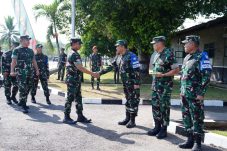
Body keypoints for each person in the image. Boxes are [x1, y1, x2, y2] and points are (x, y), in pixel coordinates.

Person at [178, 35, 212, 151]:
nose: (184, 45)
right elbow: (183, 75)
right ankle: (189, 140)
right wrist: (181, 91)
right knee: (186, 117)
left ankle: (197, 143)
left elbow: (206, 76)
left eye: (186, 43)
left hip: (195, 95)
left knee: (197, 118)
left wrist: (201, 93)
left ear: (192, 44)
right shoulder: (187, 57)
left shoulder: (202, 56)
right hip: (185, 94)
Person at [99, 40, 140, 128]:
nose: (116, 48)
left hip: (132, 83)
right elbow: (111, 67)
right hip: (125, 83)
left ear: (122, 46)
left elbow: (137, 70)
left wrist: (136, 83)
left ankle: (132, 121)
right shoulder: (118, 57)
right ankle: (127, 118)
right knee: (128, 100)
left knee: (133, 101)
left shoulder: (132, 56)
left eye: (117, 46)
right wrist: (100, 73)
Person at [147, 36, 179, 139]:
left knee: (164, 108)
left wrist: (164, 75)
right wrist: (153, 73)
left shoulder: (169, 53)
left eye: (154, 43)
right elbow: (150, 70)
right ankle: (157, 127)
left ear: (160, 43)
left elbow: (176, 70)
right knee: (155, 106)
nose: (153, 45)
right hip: (155, 86)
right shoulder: (154, 55)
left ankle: (164, 129)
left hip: (165, 87)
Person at [63, 38, 99, 125]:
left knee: (78, 97)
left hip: (75, 79)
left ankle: (80, 116)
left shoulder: (71, 52)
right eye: (79, 43)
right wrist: (92, 73)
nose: (80, 45)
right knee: (70, 98)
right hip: (72, 80)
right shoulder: (74, 54)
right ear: (74, 43)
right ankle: (66, 117)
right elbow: (80, 67)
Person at [10, 35, 39, 114]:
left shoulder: (30, 51)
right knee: (22, 88)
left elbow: (34, 61)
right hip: (21, 73)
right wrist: (12, 71)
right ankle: (23, 105)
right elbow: (13, 62)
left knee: (28, 87)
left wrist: (36, 70)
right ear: (22, 40)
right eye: (27, 40)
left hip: (30, 72)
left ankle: (22, 101)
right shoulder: (16, 50)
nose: (29, 41)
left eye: (29, 40)